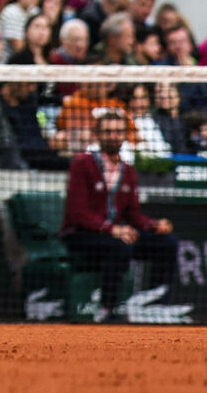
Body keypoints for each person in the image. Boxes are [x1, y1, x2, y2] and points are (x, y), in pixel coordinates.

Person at [66, 106, 186, 321]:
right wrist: (112, 229)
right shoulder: (82, 164)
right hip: (82, 235)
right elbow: (77, 213)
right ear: (97, 135)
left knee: (167, 242)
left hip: (118, 233)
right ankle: (107, 308)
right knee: (120, 246)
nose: (114, 137)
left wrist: (153, 225)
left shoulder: (128, 171)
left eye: (119, 132)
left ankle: (153, 304)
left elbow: (134, 215)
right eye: (108, 132)